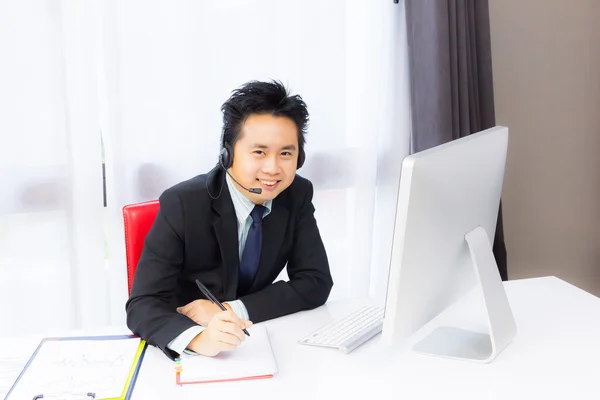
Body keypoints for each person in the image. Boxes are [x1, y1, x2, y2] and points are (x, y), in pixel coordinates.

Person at [126, 80, 333, 359]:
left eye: (286, 153)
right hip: (186, 354)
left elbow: (316, 281)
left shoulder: (296, 194)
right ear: (227, 153)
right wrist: (201, 339)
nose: (273, 168)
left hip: (256, 342)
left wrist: (232, 309)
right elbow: (142, 304)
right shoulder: (182, 204)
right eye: (259, 152)